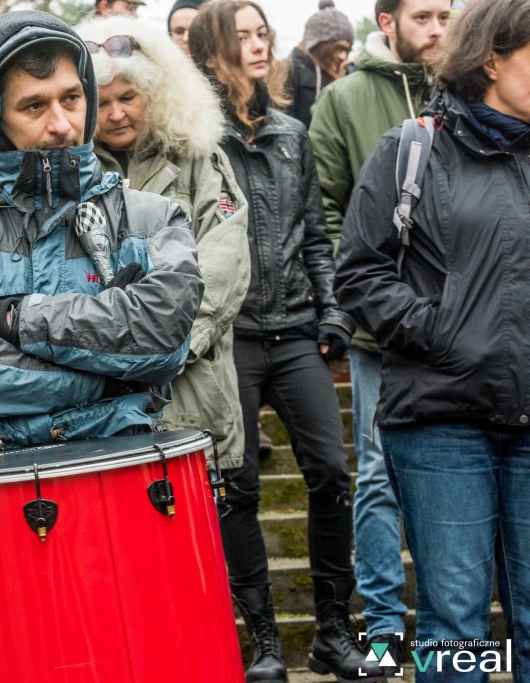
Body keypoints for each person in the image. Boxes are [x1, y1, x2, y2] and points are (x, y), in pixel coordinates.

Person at [0, 9, 202, 463]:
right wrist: (107, 380)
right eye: (34, 106)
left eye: (72, 99)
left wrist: (17, 321)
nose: (61, 123)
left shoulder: (154, 219)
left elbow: (164, 339)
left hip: (119, 467)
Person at [334, 0, 530, 678]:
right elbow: (358, 271)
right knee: (454, 616)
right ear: (492, 59)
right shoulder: (411, 147)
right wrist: (442, 333)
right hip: (443, 419)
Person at [189, 3, 383, 681]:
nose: (256, 44)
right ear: (211, 48)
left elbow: (317, 237)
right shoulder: (193, 142)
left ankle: (333, 630)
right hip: (229, 339)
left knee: (331, 471)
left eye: (262, 33)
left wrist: (333, 312)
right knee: (237, 485)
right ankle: (264, 642)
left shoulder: (292, 134)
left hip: (298, 327)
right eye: (241, 35)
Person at [309, 0, 451, 665]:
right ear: (386, 20)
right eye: (424, 15)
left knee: (461, 473)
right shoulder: (341, 100)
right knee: (377, 480)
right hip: (380, 334)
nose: (439, 29)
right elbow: (326, 208)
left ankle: (456, 637)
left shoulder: (470, 89)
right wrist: (367, 302)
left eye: (447, 15)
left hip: (467, 328)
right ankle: (386, 630)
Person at [74, 15, 249, 473]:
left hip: (190, 384)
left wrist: (166, 346)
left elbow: (224, 260)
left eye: (128, 98)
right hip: (98, 400)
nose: (115, 114)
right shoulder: (70, 175)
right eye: (102, 102)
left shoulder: (199, 158)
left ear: (155, 94)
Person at [285, 0, 355, 127]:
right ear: (319, 45)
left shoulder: (346, 72)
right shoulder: (290, 72)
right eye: (338, 48)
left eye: (347, 50)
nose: (343, 56)